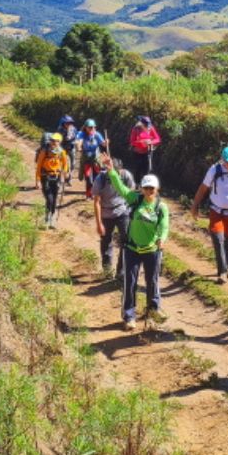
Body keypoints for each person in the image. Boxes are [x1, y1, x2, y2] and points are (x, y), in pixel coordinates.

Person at [100, 154, 170, 331]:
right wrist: (112, 171)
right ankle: (129, 316)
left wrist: (161, 239)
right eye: (146, 188)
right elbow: (121, 189)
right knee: (129, 283)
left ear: (157, 189)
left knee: (152, 281)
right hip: (132, 249)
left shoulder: (161, 207)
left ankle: (153, 311)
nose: (148, 191)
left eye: (151, 188)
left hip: (152, 250)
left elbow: (164, 225)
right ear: (142, 188)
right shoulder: (135, 199)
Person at [191, 146, 228, 283]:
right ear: (222, 159)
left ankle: (227, 266)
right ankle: (222, 272)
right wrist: (195, 205)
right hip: (216, 211)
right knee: (218, 240)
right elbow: (203, 188)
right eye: (227, 161)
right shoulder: (214, 170)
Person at [92, 157, 135, 279]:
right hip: (106, 213)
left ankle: (121, 271)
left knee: (126, 241)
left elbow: (131, 195)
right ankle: (107, 270)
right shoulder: (101, 179)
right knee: (106, 241)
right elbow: (97, 202)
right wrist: (99, 223)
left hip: (123, 211)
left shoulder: (126, 175)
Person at [35, 133, 69, 229]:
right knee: (49, 199)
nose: (54, 142)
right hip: (45, 177)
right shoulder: (44, 151)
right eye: (52, 140)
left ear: (60, 142)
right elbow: (38, 167)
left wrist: (65, 172)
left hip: (56, 177)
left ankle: (52, 219)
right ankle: (47, 219)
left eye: (56, 141)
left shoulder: (62, 152)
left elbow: (65, 164)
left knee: (54, 200)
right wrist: (37, 181)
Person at [77, 118, 108, 198]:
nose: (92, 129)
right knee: (88, 177)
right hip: (86, 159)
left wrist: (106, 142)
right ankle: (88, 194)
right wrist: (79, 147)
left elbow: (103, 144)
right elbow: (79, 142)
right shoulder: (81, 134)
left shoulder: (97, 134)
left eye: (93, 127)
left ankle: (96, 193)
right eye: (90, 127)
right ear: (86, 127)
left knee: (96, 176)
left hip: (95, 158)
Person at [56, 115, 78, 181]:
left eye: (70, 123)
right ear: (63, 123)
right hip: (63, 147)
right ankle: (59, 175)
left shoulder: (73, 129)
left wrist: (75, 142)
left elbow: (76, 137)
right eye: (67, 123)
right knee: (61, 161)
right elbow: (58, 138)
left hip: (71, 147)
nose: (69, 124)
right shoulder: (60, 129)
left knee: (73, 163)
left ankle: (70, 176)